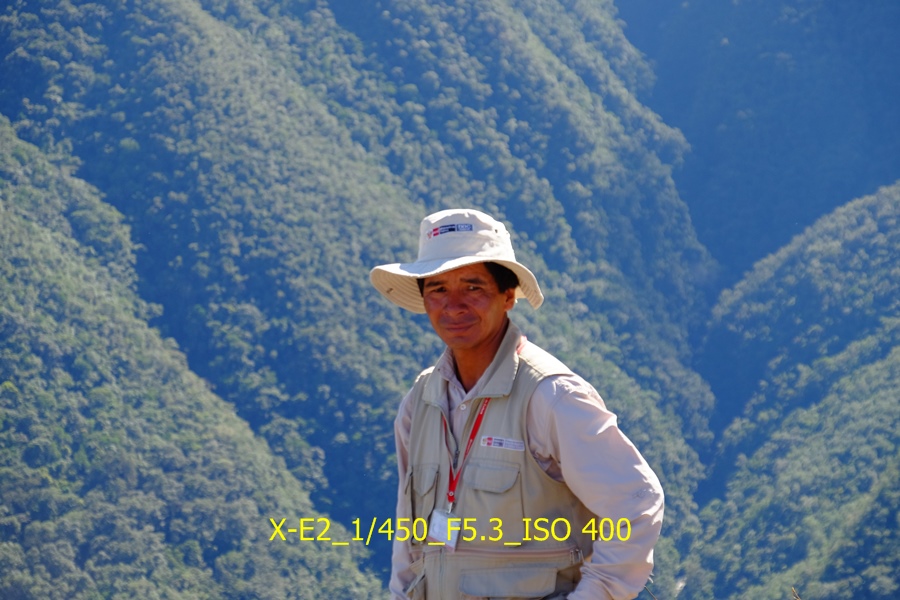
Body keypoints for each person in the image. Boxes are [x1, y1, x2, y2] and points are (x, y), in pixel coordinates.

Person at [370, 208, 664, 600]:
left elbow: (636, 503)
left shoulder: (550, 396)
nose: (453, 305)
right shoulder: (420, 403)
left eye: (473, 287)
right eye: (438, 289)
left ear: (508, 296)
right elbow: (409, 532)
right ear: (424, 299)